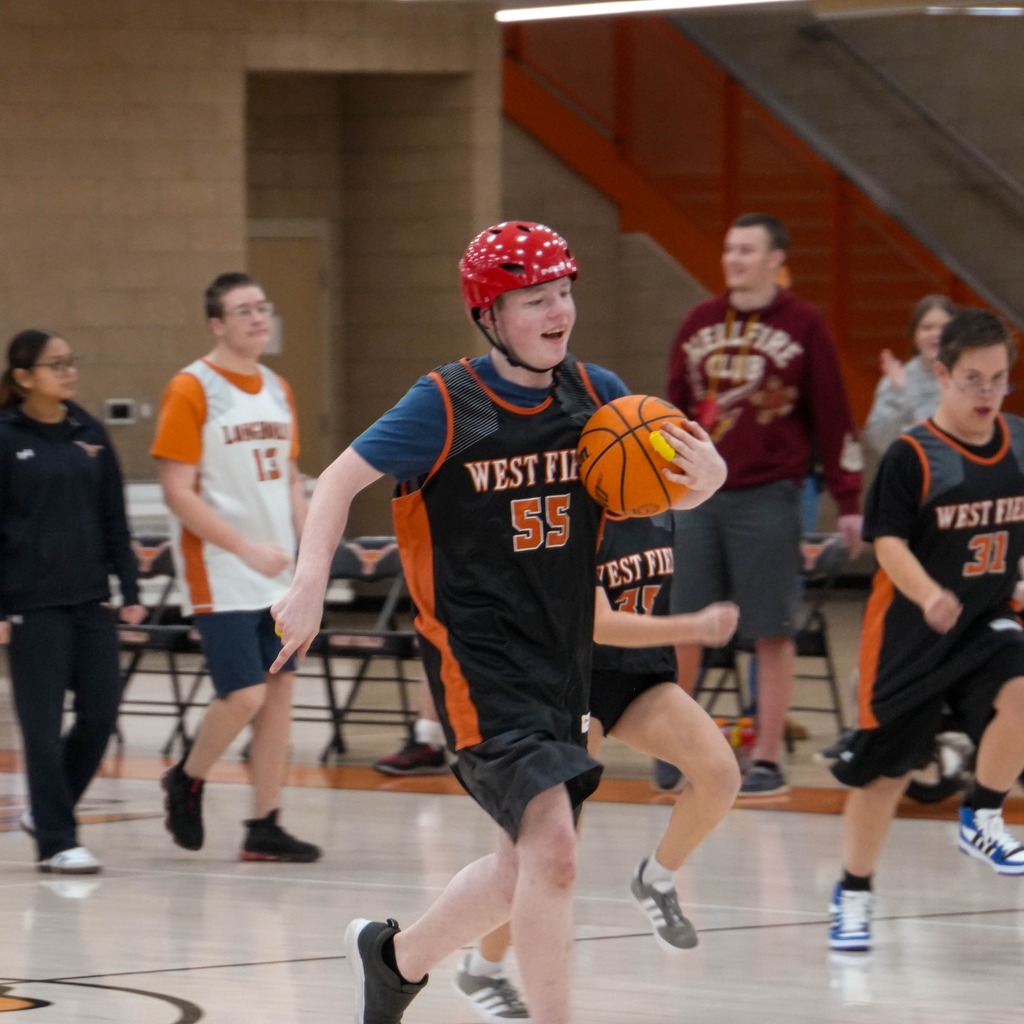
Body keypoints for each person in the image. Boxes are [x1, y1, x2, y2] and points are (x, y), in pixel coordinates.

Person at [269, 221, 728, 1024]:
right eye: (535, 300)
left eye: (564, 294)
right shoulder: (449, 405)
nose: (558, 312)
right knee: (553, 851)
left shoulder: (599, 397)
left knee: (523, 867)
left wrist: (708, 477)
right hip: (478, 663)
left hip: (564, 661)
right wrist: (307, 583)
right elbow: (339, 482)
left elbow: (665, 491)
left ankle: (395, 959)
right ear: (489, 313)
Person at [384, 513, 741, 1022]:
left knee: (721, 775)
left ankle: (657, 877)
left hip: (638, 676)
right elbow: (599, 621)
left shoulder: (660, 501)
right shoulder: (582, 507)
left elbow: (704, 473)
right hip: (570, 684)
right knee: (545, 853)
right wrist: (697, 627)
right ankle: (482, 968)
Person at [828, 307, 1024, 953]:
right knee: (883, 779)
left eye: (999, 378)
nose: (988, 393)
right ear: (940, 373)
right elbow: (887, 545)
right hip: (911, 637)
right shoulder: (914, 457)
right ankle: (853, 892)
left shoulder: (1019, 442)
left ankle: (983, 813)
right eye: (973, 378)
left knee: (1021, 687)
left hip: (987, 624)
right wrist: (928, 593)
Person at [666, 211, 864, 797]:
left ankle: (768, 760)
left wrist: (848, 500)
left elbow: (834, 414)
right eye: (730, 249)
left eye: (747, 250)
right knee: (685, 627)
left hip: (770, 493)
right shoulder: (700, 320)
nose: (734, 259)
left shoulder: (805, 324)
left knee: (771, 630)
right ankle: (677, 752)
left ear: (777, 258)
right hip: (697, 497)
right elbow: (671, 411)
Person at [151, 272, 319, 863]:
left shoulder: (278, 387)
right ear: (217, 324)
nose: (258, 317)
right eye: (243, 310)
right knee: (244, 694)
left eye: (263, 307)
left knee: (279, 695)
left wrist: (310, 556)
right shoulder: (191, 388)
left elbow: (293, 483)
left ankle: (264, 824)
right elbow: (177, 491)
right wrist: (245, 547)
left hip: (279, 573)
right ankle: (187, 778)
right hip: (221, 568)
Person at [0, 329, 146, 874]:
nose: (68, 372)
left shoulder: (89, 433)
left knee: (100, 715)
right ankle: (57, 841)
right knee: (40, 725)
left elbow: (114, 516)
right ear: (22, 377)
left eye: (70, 362)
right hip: (31, 604)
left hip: (90, 599)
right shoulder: (5, 436)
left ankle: (47, 809)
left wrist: (129, 589)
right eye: (54, 364)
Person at [863, 294, 957, 457]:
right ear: (915, 335)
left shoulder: (968, 379)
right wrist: (899, 393)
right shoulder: (895, 380)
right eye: (927, 328)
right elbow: (878, 441)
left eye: (944, 328)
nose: (935, 334)